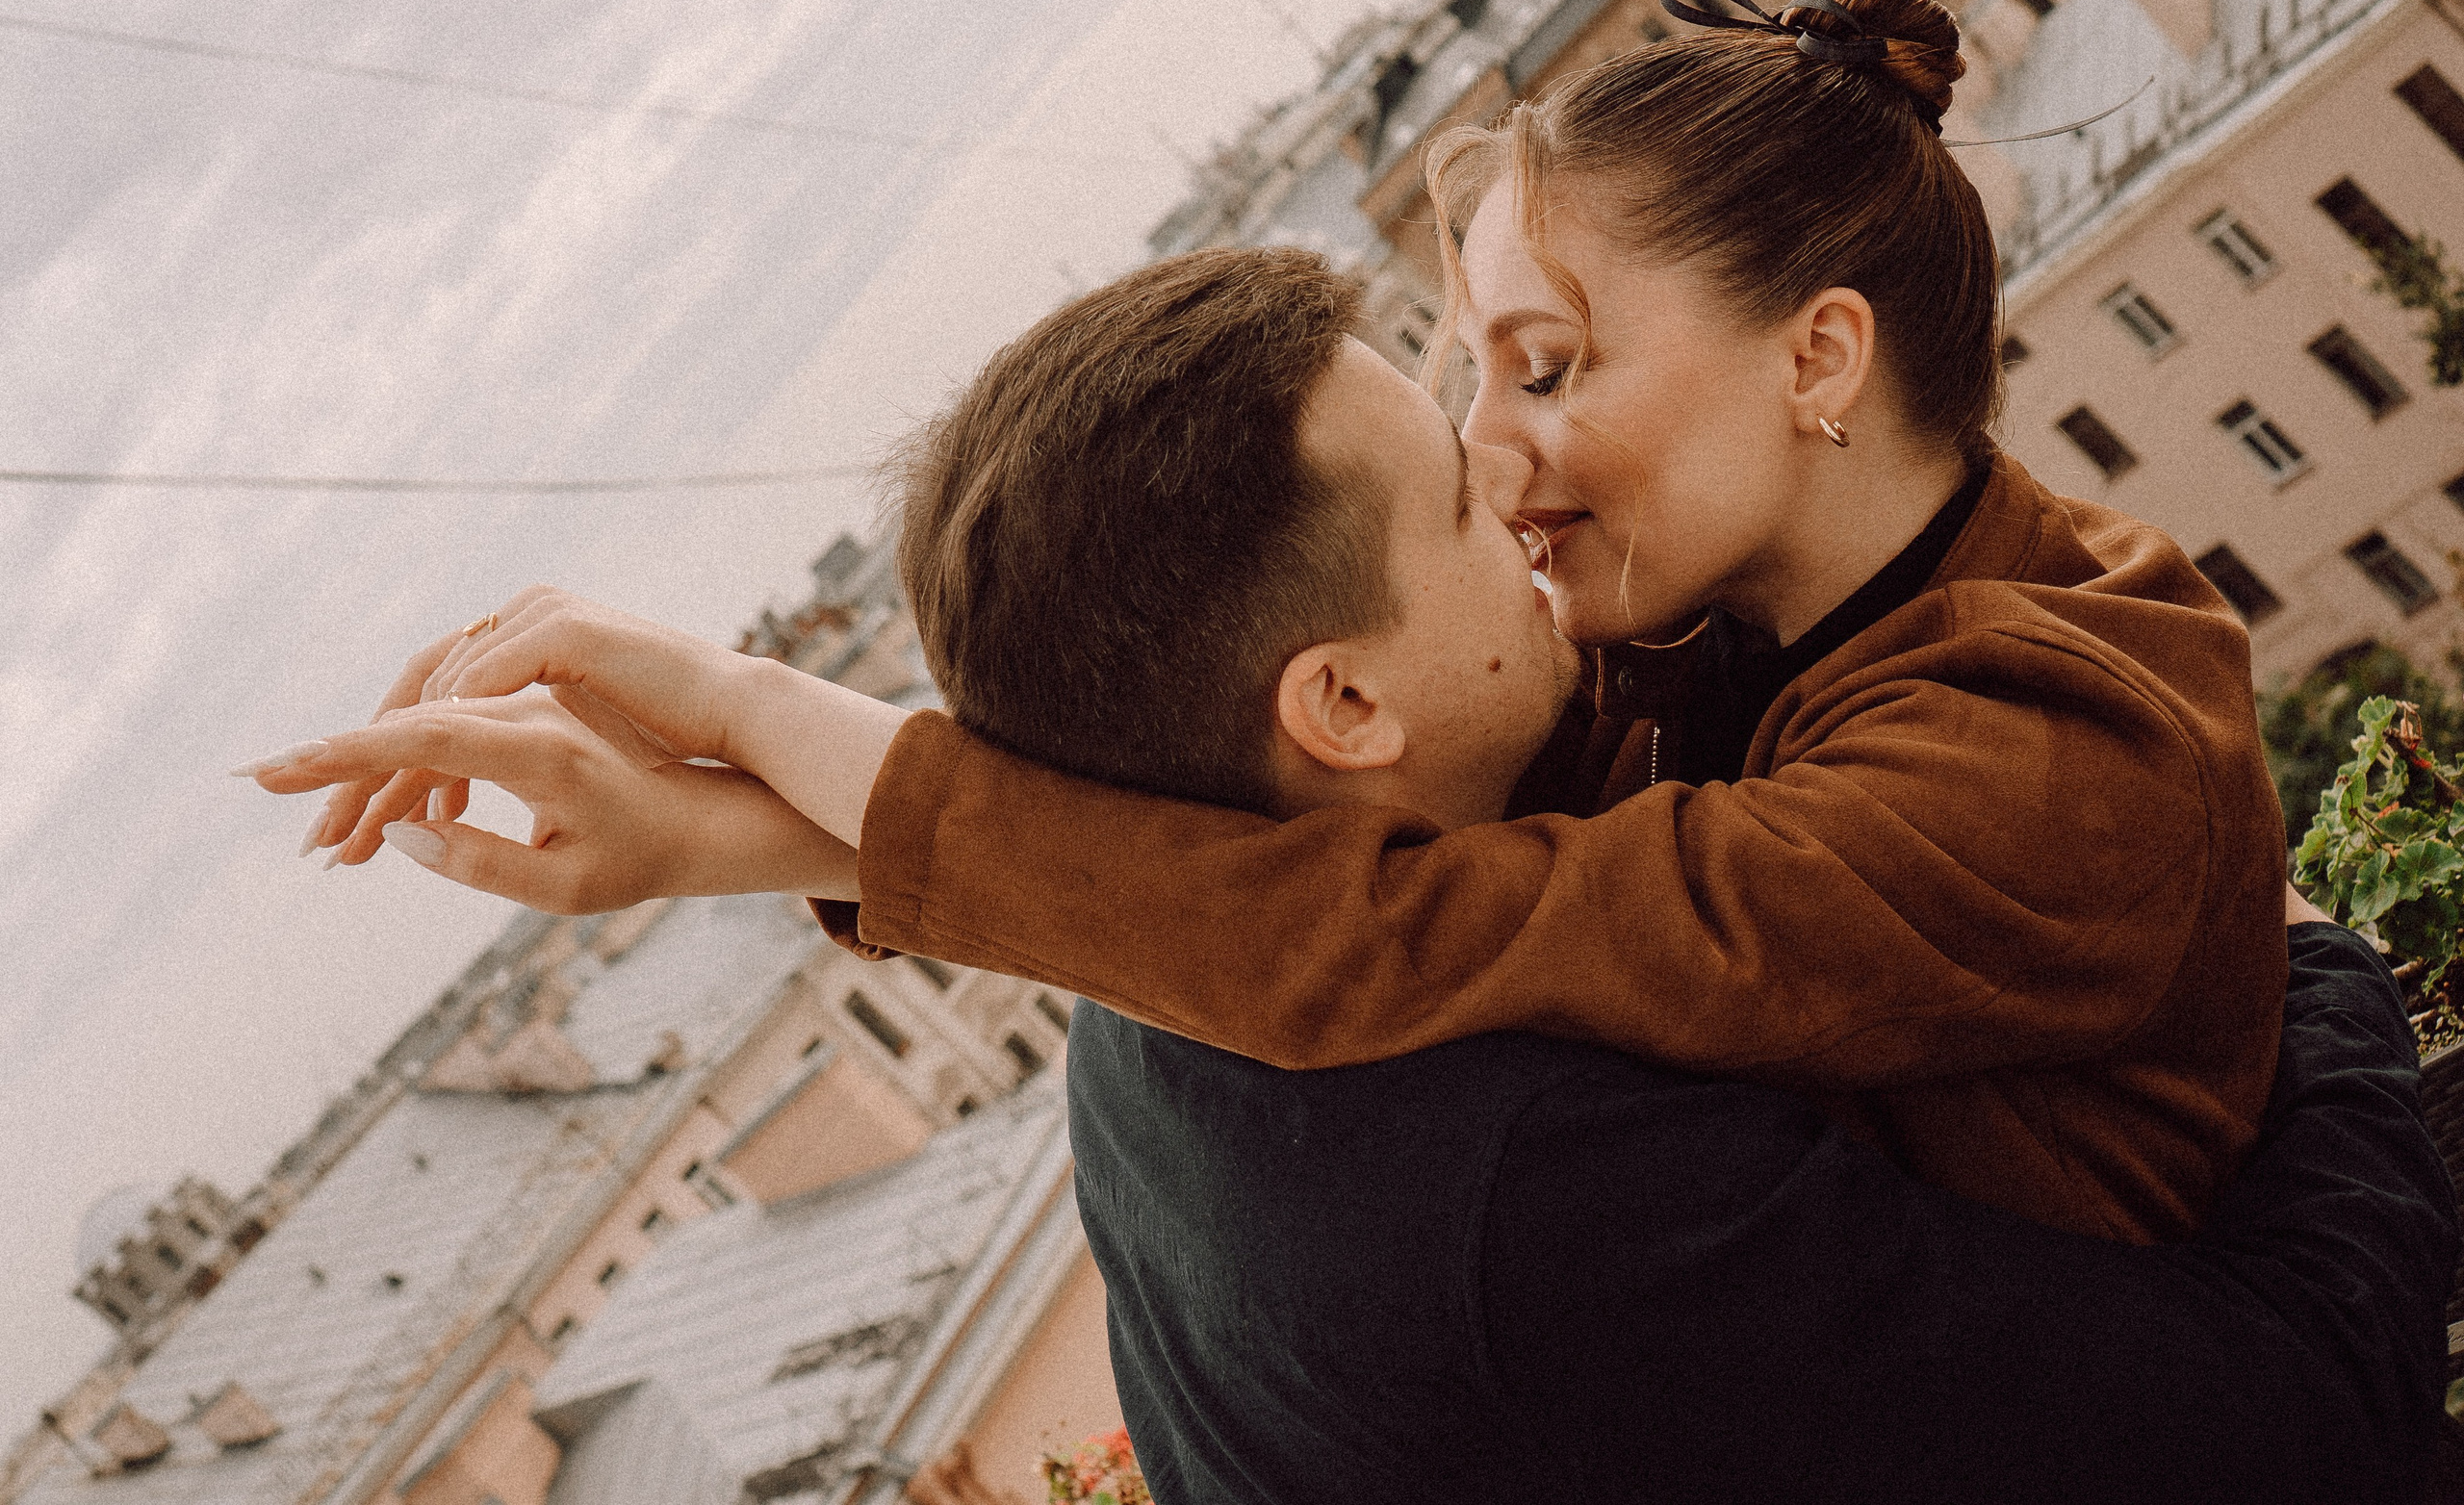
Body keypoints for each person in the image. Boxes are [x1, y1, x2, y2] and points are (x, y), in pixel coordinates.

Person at [244, 243, 2454, 1498]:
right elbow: (2286, 1415)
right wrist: (2314, 983)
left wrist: (773, 803)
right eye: (1462, 506)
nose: (1521, 475)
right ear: (1341, 711)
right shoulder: (1545, 1184)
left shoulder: (1171, 992)